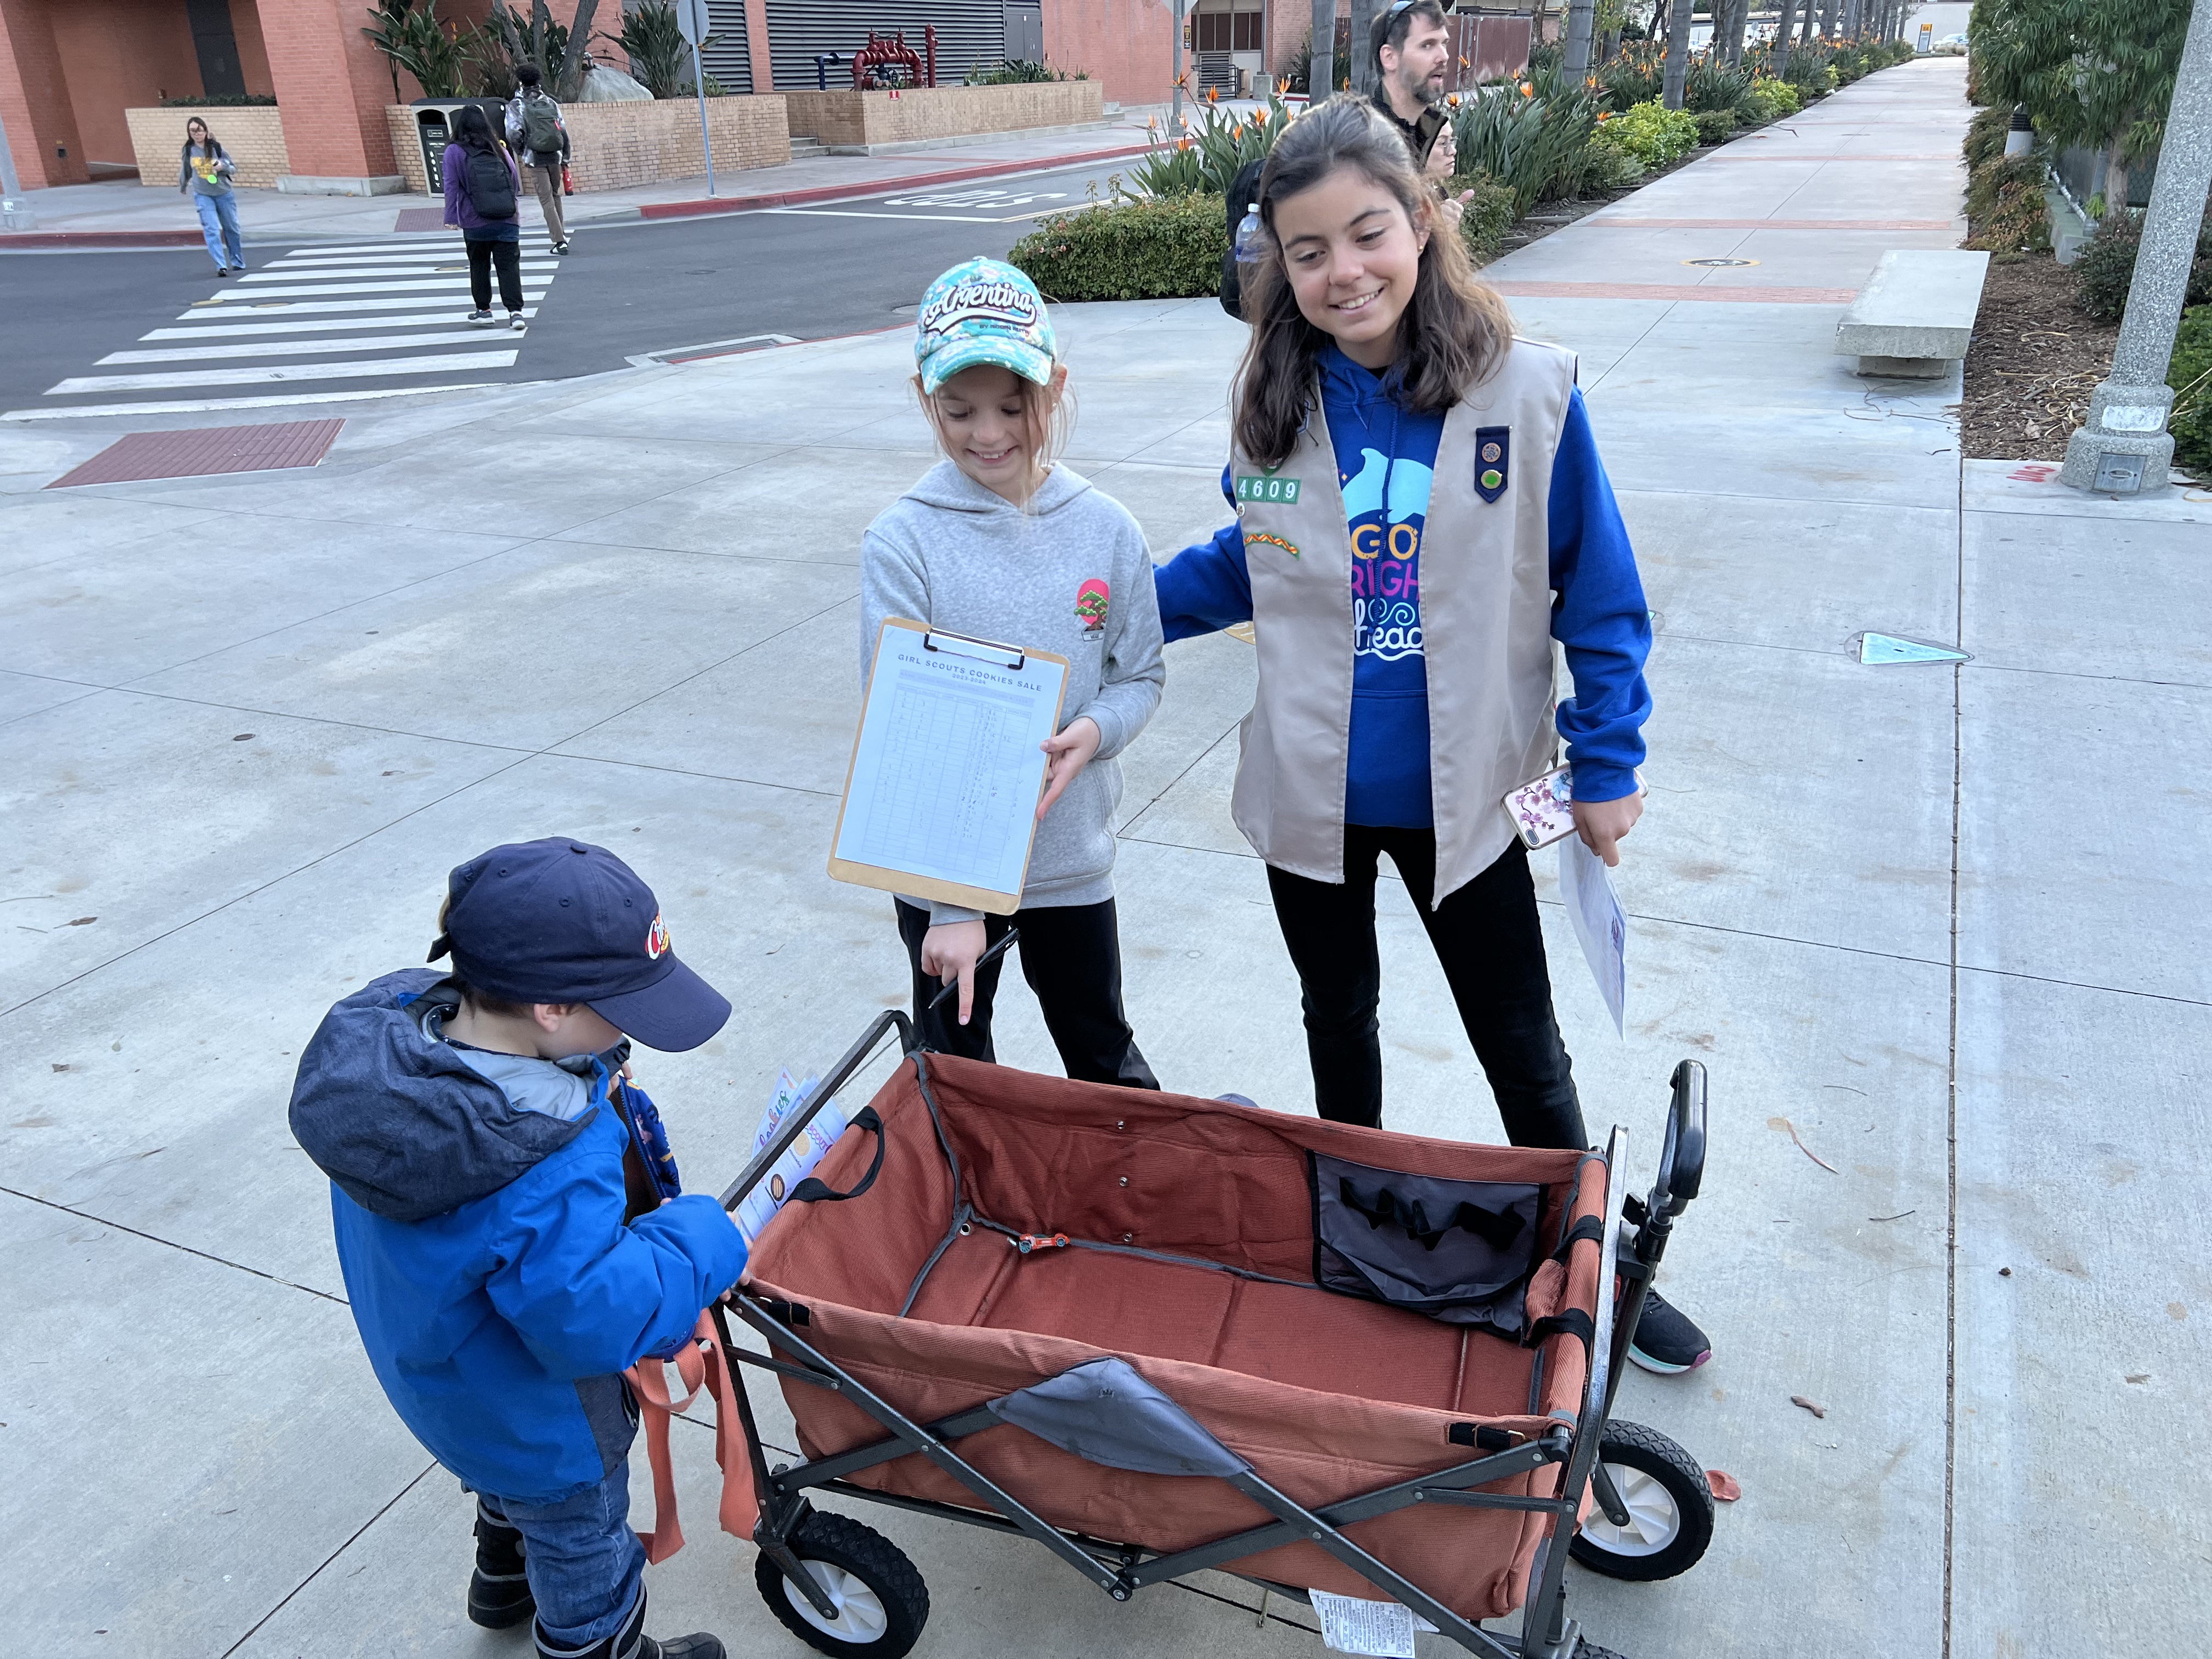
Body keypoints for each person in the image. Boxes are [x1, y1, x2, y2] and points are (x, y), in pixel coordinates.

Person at [1152, 97, 1712, 1375]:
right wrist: (1115, 606)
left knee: (1523, 1045)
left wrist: (1609, 761)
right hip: (1311, 800)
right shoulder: (1278, 402)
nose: (1343, 271)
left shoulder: (1528, 391)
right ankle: (1354, 1230)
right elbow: (1250, 566)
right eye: (1308, 252)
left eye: (1367, 234)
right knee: (1337, 1023)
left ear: (1419, 221)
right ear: (1280, 269)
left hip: (1477, 802)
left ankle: (1595, 1269)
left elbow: (1601, 597)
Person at [288, 838, 742, 1659]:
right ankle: (597, 1646)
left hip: (445, 1377)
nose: (630, 1030)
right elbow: (593, 1321)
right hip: (543, 1425)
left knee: (504, 1480)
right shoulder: (547, 1166)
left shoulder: (389, 1065)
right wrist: (705, 1238)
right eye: (624, 1007)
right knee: (581, 1540)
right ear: (551, 1009)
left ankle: (501, 1579)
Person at [861, 257, 1166, 1088]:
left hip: (1068, 860)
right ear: (925, 398)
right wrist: (955, 903)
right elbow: (904, 731)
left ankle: (1129, 1176)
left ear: (1055, 388)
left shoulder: (1107, 529)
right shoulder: (904, 542)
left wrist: (1095, 730)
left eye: (1012, 406)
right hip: (944, 871)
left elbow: (1140, 675)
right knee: (955, 1073)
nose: (988, 434)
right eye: (959, 411)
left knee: (1102, 1054)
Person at [1368, 0, 1480, 230]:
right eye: (1427, 45)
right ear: (1390, 57)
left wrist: (1444, 230)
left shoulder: (1428, 131)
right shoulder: (1361, 140)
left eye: (1444, 44)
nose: (1444, 56)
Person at [442, 104, 527, 331]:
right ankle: (516, 313)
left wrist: (451, 217)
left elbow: (451, 187)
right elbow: (514, 179)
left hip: (475, 222)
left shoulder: (454, 151)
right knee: (508, 267)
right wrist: (510, 207)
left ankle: (484, 311)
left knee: (479, 265)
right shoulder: (498, 147)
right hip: (507, 219)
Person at [505, 64, 573, 253]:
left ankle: (559, 241)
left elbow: (513, 133)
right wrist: (565, 156)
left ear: (521, 82)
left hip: (535, 157)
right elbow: (563, 130)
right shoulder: (550, 102)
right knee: (555, 195)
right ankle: (561, 234)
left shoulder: (517, 105)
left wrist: (522, 151)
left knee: (546, 199)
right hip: (555, 155)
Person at [178, 116, 242, 276]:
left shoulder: (216, 148)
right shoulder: (189, 150)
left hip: (223, 193)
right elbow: (186, 168)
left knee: (231, 229)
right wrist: (183, 185)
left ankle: (237, 261)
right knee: (211, 229)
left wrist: (222, 166)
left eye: (199, 130)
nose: (197, 133)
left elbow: (233, 168)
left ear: (206, 131)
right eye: (193, 131)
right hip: (203, 195)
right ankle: (221, 266)